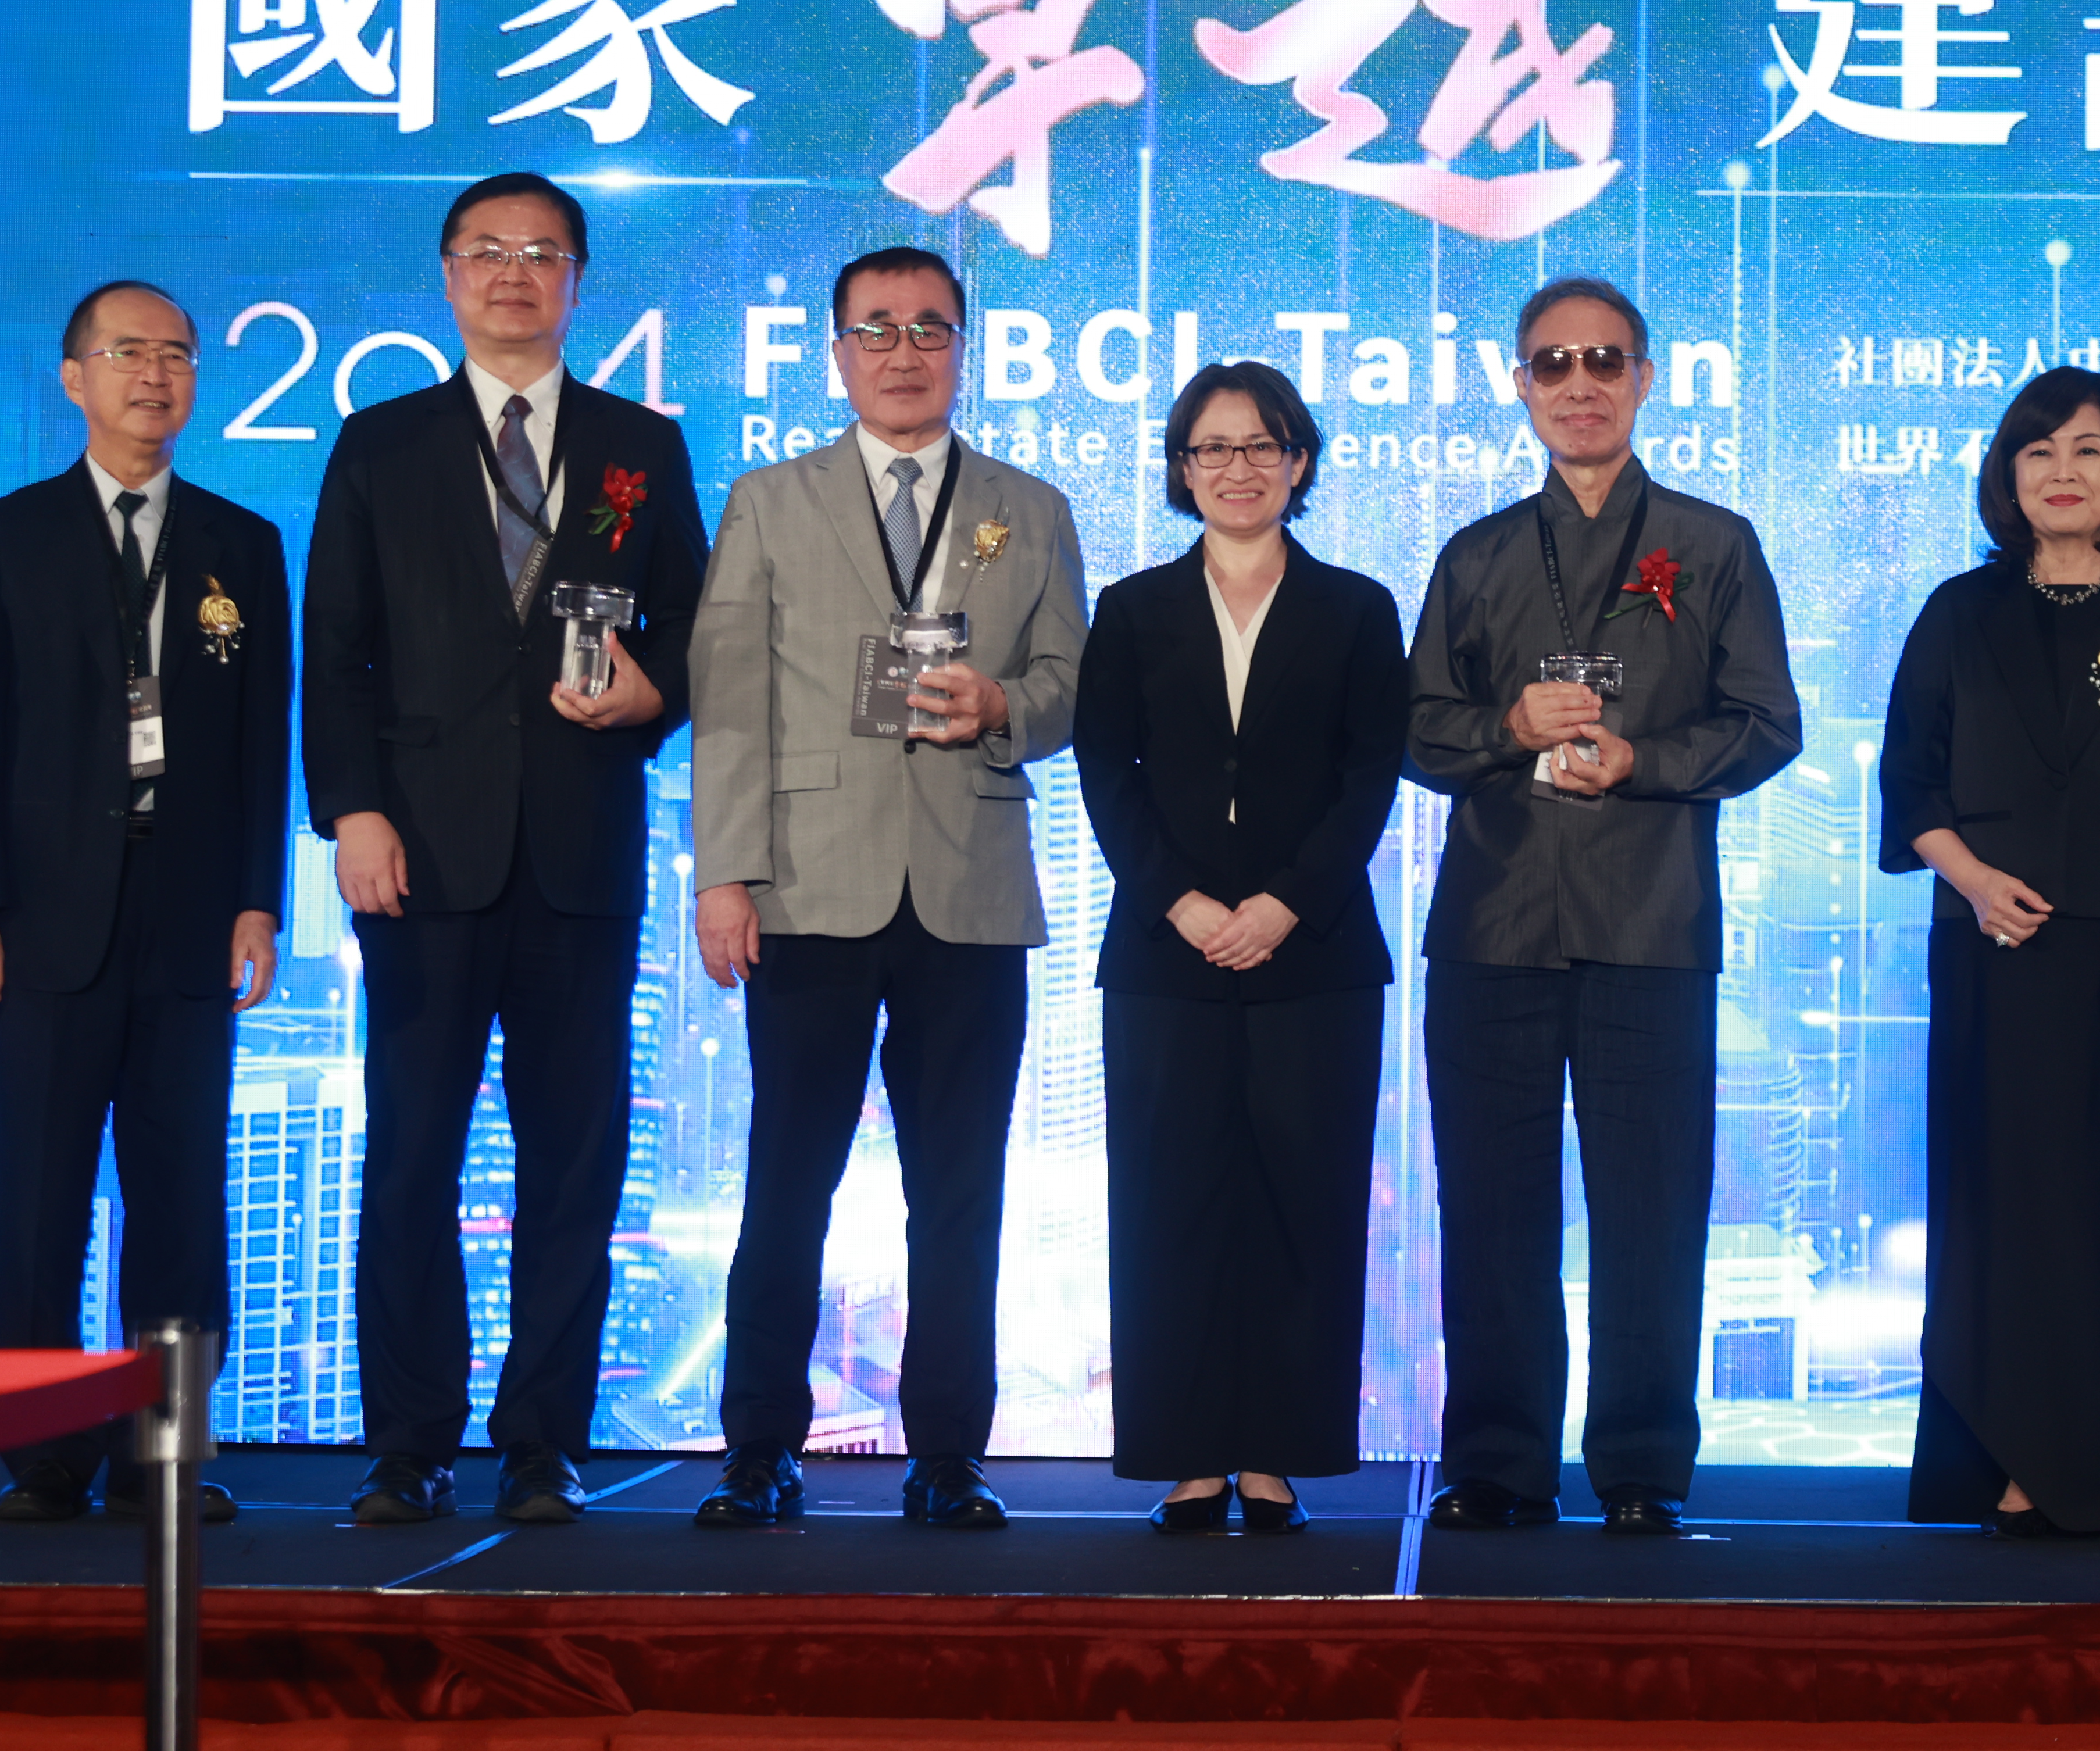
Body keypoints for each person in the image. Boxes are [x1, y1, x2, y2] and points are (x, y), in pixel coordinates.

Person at [302, 173, 706, 1526]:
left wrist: (651, 694)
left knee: (576, 1157)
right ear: (449, 274)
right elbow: (336, 650)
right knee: (412, 1151)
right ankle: (409, 1439)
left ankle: (546, 1438)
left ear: (579, 281)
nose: (515, 274)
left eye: (543, 254)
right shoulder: (382, 442)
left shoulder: (640, 442)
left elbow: (695, 633)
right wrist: (354, 812)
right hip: (417, 854)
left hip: (583, 851)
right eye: (489, 252)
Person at [686, 245, 1086, 1532]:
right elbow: (730, 700)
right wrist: (724, 875)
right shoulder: (769, 498)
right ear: (838, 352)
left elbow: (1074, 683)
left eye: (931, 329)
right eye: (878, 330)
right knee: (786, 1181)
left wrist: (1004, 707)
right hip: (806, 889)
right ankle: (758, 1452)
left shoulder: (1031, 506)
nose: (904, 352)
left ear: (964, 349)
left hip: (967, 885)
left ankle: (951, 1455)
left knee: (961, 1191)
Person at [1406, 275, 1801, 1537]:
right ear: (1519, 385)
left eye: (1605, 361)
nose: (1579, 384)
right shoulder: (1474, 553)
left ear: (1645, 378)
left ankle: (1640, 1469)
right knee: (1494, 1207)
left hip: (1652, 922)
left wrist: (1648, 759)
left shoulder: (1716, 541)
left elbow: (1767, 723)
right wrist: (1507, 727)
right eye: (1553, 363)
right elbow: (1416, 729)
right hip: (1492, 925)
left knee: (1652, 1207)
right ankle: (1499, 1465)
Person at [1878, 367, 2100, 1542]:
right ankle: (1996, 1457)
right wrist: (1976, 881)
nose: (2062, 473)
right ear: (2008, 476)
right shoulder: (1958, 612)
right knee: (1998, 1210)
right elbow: (1910, 785)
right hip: (1994, 948)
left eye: (2086, 450)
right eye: (2037, 454)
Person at [0, 280, 287, 1523]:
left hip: (190, 916)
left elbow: (261, 740)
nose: (157, 375)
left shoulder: (241, 546)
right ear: (74, 376)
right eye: (129, 352)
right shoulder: (3, 535)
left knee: (181, 1196)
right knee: (38, 1198)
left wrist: (260, 900)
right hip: (39, 923)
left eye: (179, 356)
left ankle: (167, 1453)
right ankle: (43, 1457)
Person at [1076, 361, 1407, 1534]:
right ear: (1181, 469)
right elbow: (1104, 769)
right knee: (1170, 1201)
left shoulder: (1358, 608)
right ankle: (1183, 1454)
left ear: (1301, 463)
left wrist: (1285, 903)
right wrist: (1178, 902)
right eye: (1212, 449)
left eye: (1263, 447)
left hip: (1313, 956)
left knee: (1303, 1202)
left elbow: (1373, 772)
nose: (1238, 468)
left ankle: (1277, 1453)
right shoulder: (1131, 609)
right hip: (1164, 956)